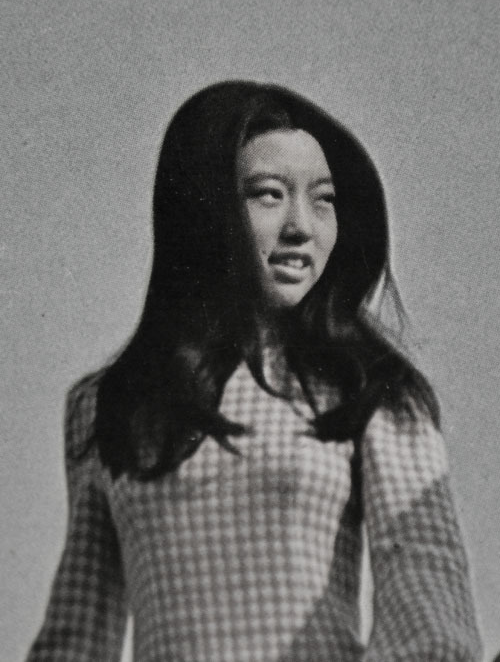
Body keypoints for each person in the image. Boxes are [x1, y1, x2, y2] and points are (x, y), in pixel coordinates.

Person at [26, 81, 482, 661]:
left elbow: (424, 588)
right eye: (269, 195)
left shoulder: (369, 387)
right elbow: (78, 631)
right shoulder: (108, 402)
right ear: (204, 209)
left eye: (324, 199)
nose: (302, 226)